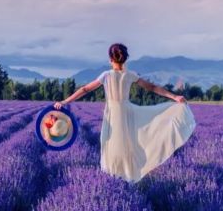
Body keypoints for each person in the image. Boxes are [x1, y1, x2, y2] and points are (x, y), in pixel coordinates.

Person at [54, 42, 197, 183]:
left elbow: (84, 89)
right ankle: (127, 178)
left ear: (110, 59)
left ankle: (112, 180)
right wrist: (174, 96)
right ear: (125, 59)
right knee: (129, 145)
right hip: (127, 113)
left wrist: (65, 101)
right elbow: (152, 87)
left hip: (113, 115)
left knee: (110, 147)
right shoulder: (130, 75)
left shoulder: (106, 75)